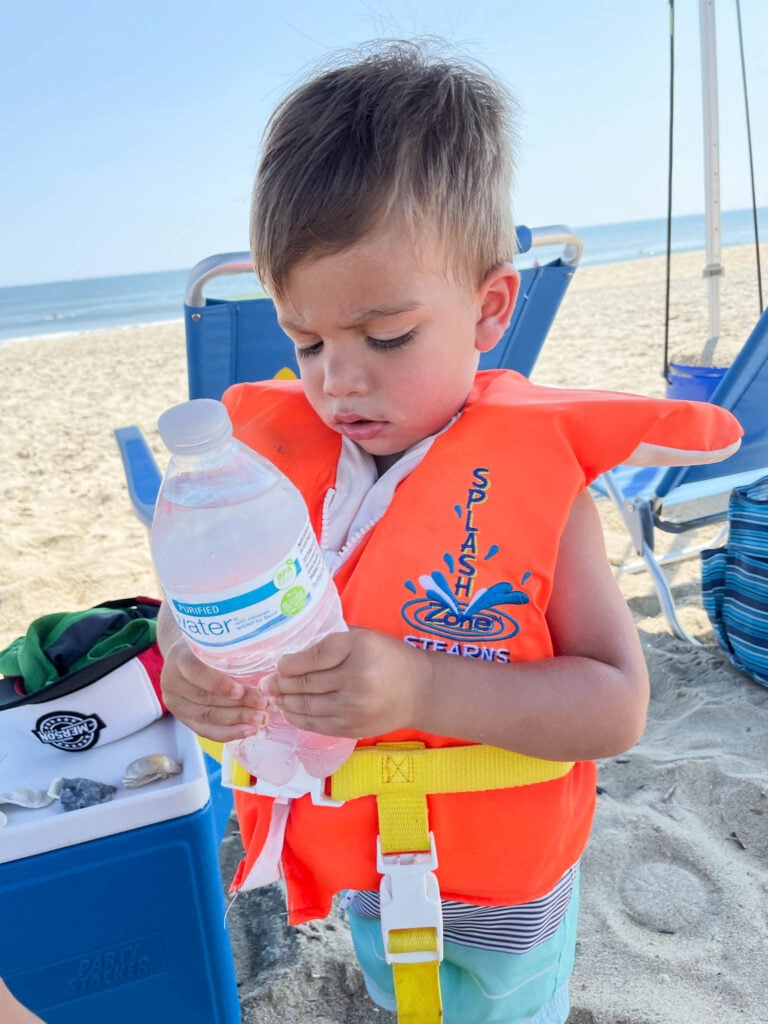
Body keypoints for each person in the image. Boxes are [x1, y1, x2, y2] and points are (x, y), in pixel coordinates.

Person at [157, 40, 740, 1023]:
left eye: (385, 337)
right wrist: (187, 666)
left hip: (500, 893)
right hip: (362, 871)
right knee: (401, 989)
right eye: (305, 343)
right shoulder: (272, 475)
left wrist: (422, 687)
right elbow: (195, 612)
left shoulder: (539, 488)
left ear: (489, 309)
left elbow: (615, 708)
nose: (338, 381)